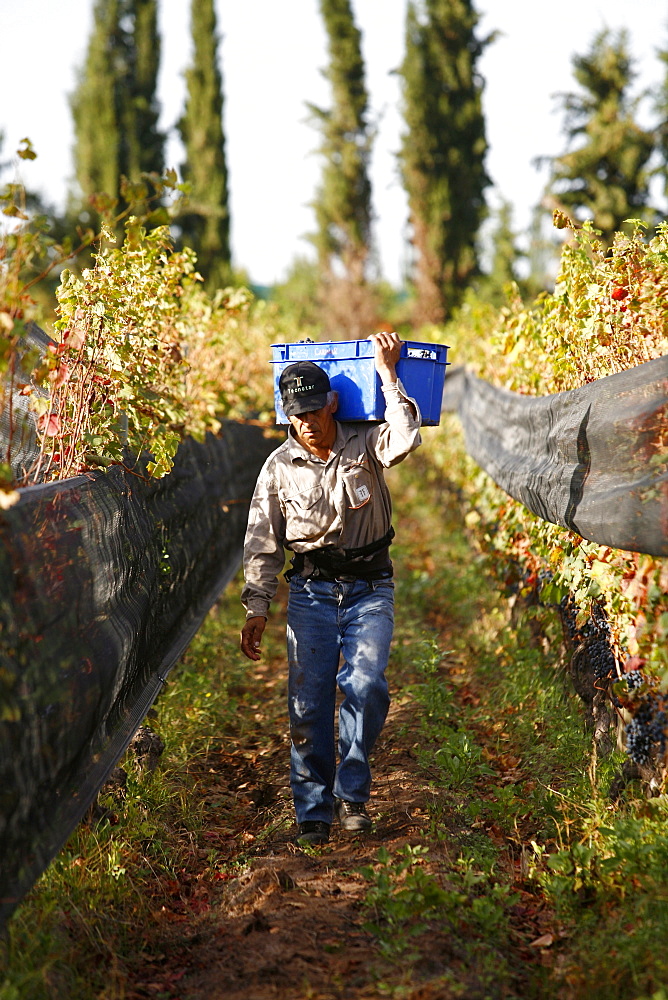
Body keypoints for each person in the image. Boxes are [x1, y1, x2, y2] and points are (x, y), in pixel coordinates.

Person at [240, 330, 422, 845]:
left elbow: (406, 437)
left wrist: (388, 374)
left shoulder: (365, 441)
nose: (309, 422)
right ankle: (313, 811)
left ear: (333, 404)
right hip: (311, 595)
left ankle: (354, 795)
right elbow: (261, 540)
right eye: (298, 414)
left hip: (370, 589)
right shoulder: (277, 468)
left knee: (365, 687)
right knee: (309, 704)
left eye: (316, 411)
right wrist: (257, 605)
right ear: (286, 413)